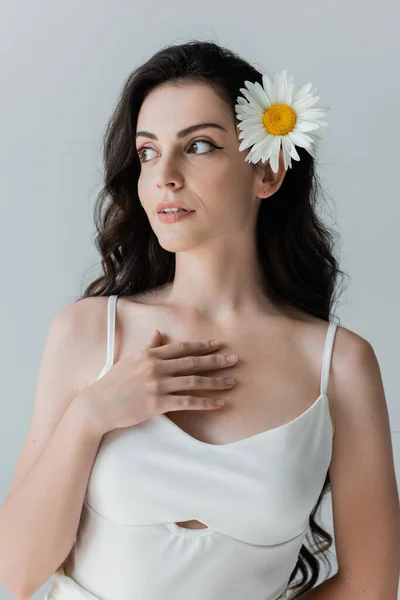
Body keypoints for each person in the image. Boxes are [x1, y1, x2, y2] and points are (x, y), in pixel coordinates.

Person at [1, 40, 399, 600]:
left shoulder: (339, 364)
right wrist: (91, 415)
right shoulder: (88, 333)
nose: (164, 175)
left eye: (200, 146)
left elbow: (371, 587)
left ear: (268, 173)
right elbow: (16, 573)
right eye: (146, 152)